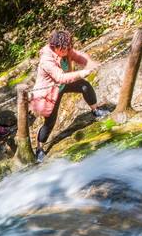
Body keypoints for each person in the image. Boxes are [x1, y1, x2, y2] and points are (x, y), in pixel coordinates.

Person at [30, 30, 108, 162]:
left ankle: (96, 110)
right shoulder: (46, 59)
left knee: (85, 86)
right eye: (66, 48)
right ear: (57, 47)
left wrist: (91, 63)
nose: (68, 50)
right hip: (51, 91)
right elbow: (59, 77)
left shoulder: (65, 50)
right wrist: (81, 73)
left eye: (69, 47)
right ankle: (39, 149)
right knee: (50, 122)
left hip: (64, 84)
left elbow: (79, 56)